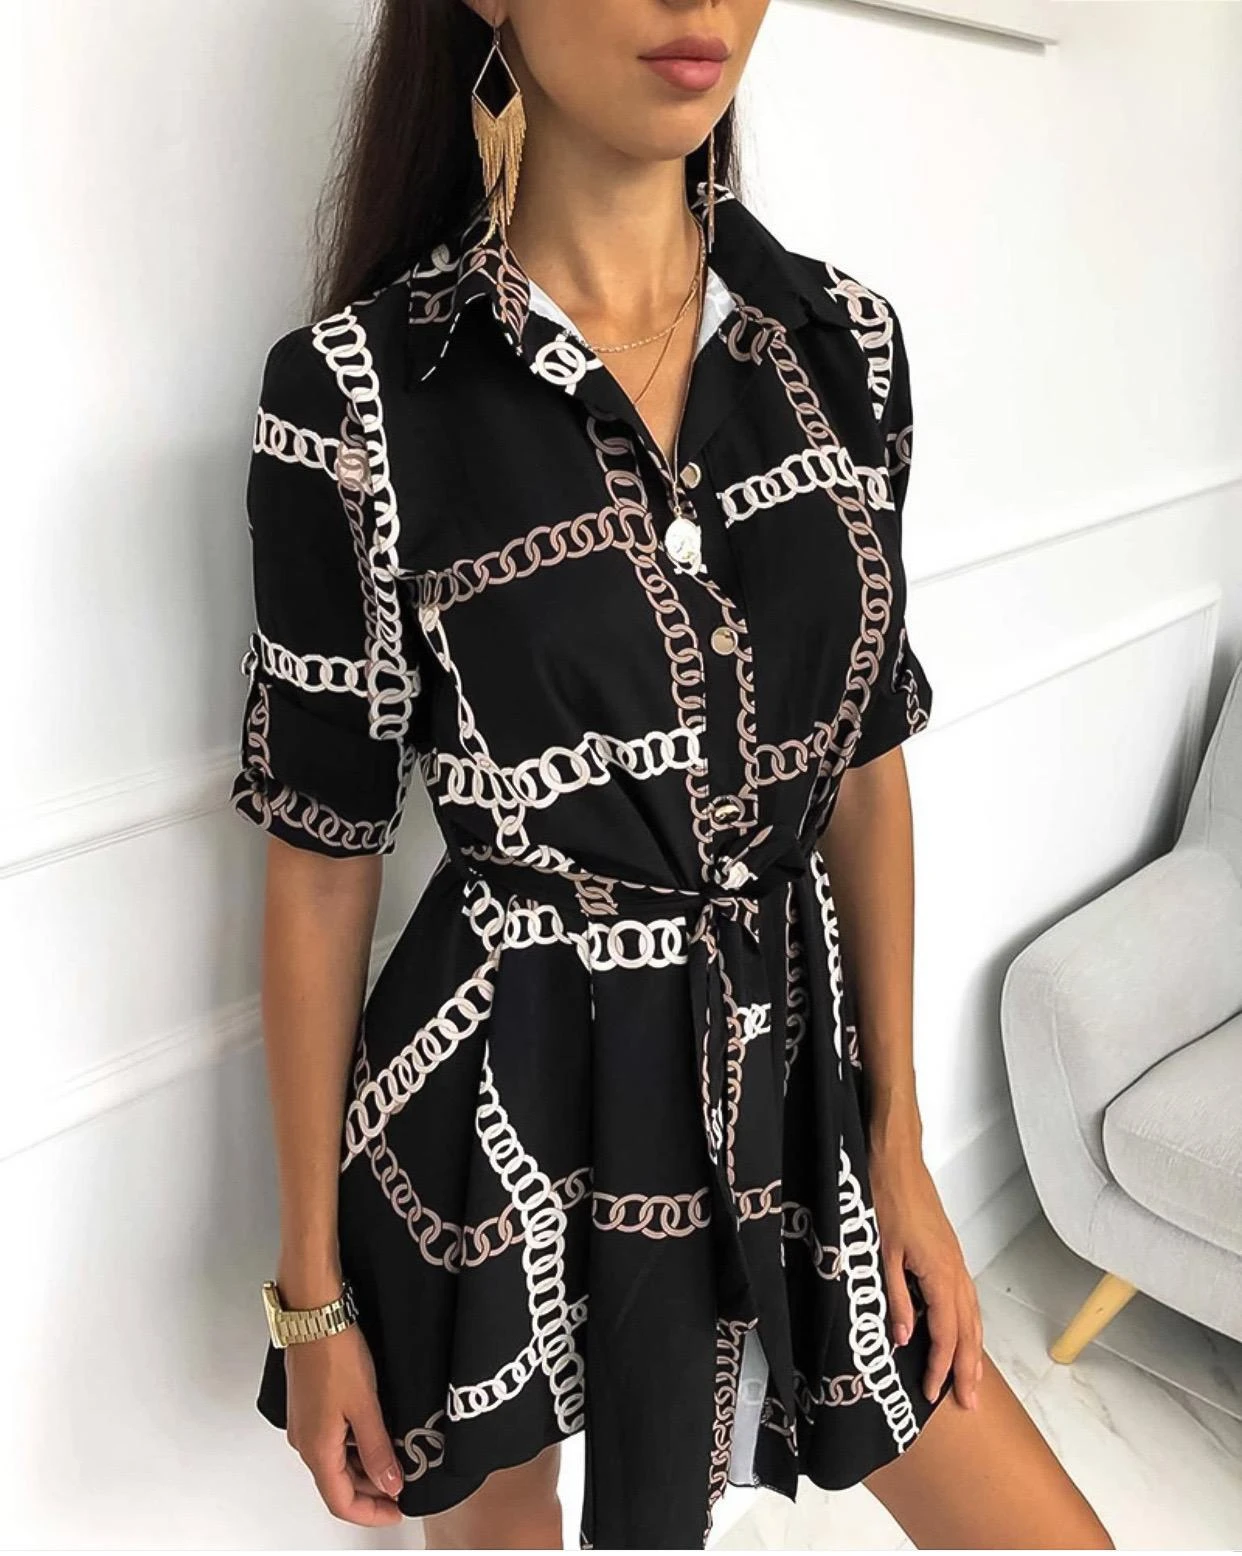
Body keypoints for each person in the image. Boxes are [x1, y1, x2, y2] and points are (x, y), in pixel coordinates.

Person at [231, 0, 1115, 1549]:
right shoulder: (360, 395)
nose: (696, 7)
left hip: (785, 1068)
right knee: (497, 1531)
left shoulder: (841, 348)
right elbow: (320, 862)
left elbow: (863, 766)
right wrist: (313, 1301)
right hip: (494, 1088)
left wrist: (897, 1143)